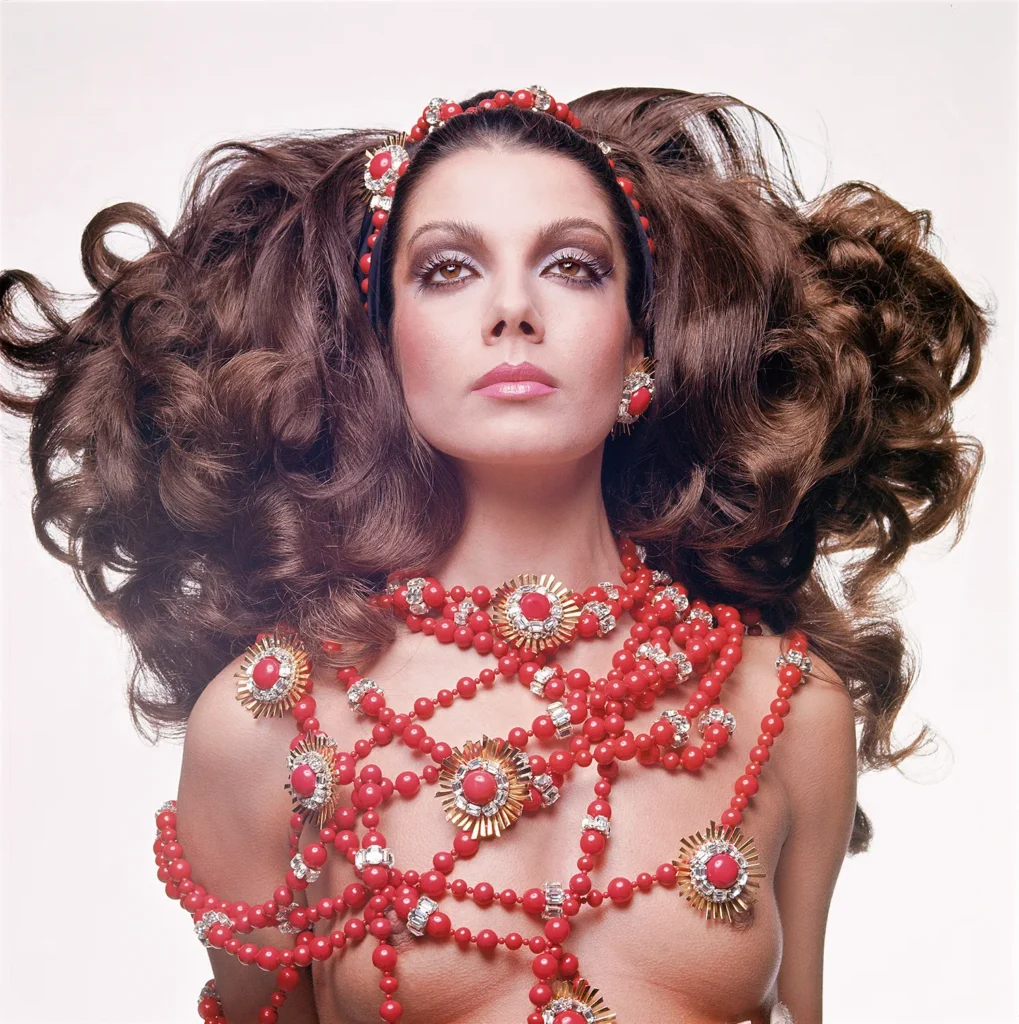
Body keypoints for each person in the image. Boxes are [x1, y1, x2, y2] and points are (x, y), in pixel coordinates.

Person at [0, 85, 989, 1024]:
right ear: (387, 347)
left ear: (639, 346)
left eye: (572, 265)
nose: (512, 309)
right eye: (447, 268)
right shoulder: (270, 727)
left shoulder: (788, 708)